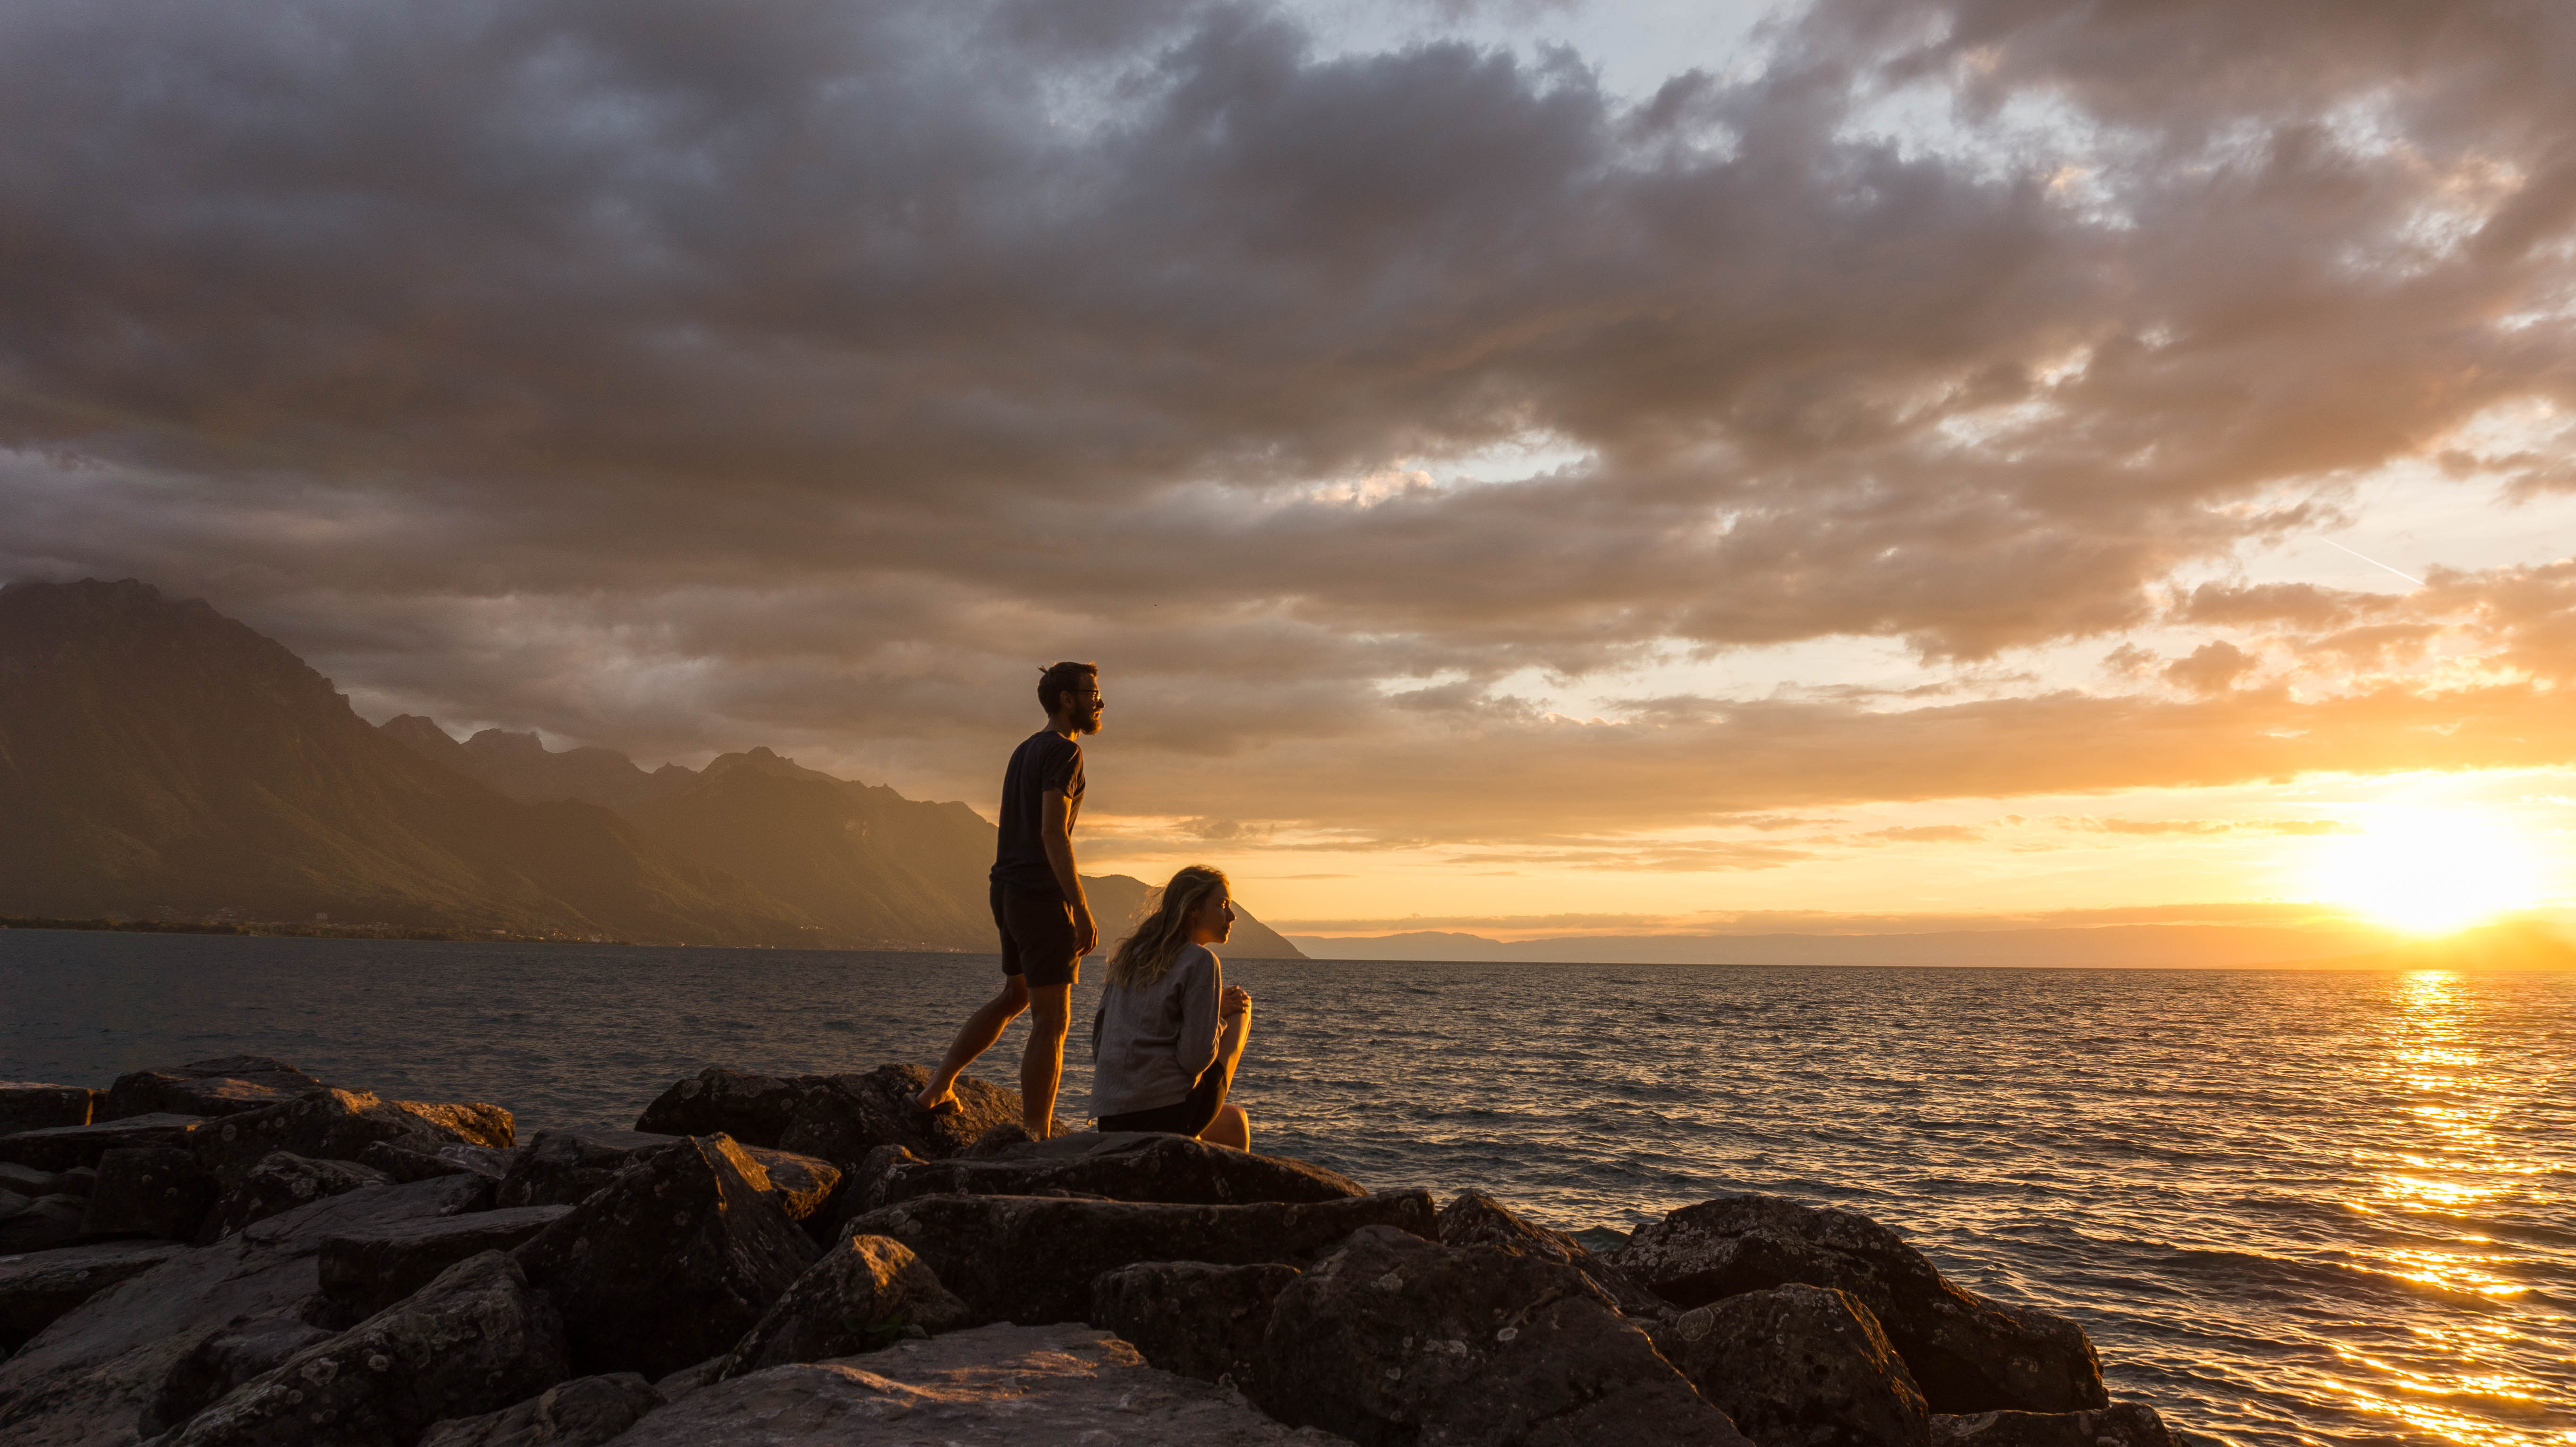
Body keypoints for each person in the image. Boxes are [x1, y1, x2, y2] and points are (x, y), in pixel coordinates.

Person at [914, 661, 1104, 1137]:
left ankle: (937, 1087)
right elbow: (1051, 831)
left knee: (1015, 995)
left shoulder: (1024, 750)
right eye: (1091, 692)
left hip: (1006, 889)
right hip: (1039, 895)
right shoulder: (1065, 753)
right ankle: (1036, 1136)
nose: (1099, 701)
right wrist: (1079, 907)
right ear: (1066, 699)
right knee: (1052, 1019)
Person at [1091, 864, 1254, 1149]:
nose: (1232, 915)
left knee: (1235, 1122)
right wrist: (1219, 1020)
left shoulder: (1130, 958)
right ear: (1193, 909)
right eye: (1223, 905)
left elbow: (1099, 1045)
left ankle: (1194, 1150)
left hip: (1111, 1118)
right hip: (1165, 1117)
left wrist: (1212, 1013)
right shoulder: (1201, 961)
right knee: (1242, 1008)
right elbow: (1194, 1059)